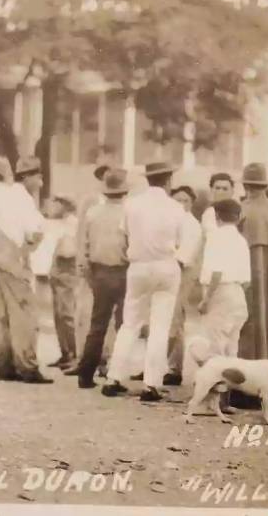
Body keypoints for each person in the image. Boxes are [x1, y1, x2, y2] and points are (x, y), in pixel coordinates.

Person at [101, 161, 201, 402]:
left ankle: (113, 378)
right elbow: (190, 238)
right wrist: (180, 260)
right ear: (168, 181)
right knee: (159, 326)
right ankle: (151, 385)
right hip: (166, 265)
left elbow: (123, 235)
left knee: (130, 323)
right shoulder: (176, 208)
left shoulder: (132, 205)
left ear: (149, 180)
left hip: (138, 266)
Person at [0, 151, 50, 383]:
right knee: (23, 311)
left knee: (0, 312)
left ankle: (4, 364)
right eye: (36, 176)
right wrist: (29, 250)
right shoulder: (22, 196)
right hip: (13, 252)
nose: (40, 182)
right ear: (26, 178)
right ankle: (28, 366)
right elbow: (34, 231)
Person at [73, 169, 129, 389]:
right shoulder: (128, 213)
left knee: (98, 324)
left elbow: (85, 245)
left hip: (100, 272)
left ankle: (85, 373)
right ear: (124, 190)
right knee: (124, 325)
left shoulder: (93, 213)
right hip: (123, 269)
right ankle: (115, 373)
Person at [238, 163, 268, 360]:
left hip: (247, 268)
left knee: (249, 313)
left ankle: (250, 365)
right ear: (264, 186)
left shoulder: (241, 210)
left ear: (245, 186)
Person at [197, 199, 251, 356]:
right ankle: (230, 378)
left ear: (217, 217)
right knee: (232, 345)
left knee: (215, 344)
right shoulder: (241, 240)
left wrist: (206, 300)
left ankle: (216, 379)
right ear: (238, 217)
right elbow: (247, 281)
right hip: (238, 294)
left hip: (219, 292)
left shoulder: (216, 237)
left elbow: (217, 272)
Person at [165, 185, 203, 386]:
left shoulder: (191, 224)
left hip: (183, 272)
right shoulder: (170, 220)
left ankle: (174, 368)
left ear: (191, 203)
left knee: (176, 317)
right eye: (177, 200)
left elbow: (185, 256)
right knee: (166, 318)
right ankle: (160, 365)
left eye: (185, 201)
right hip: (169, 271)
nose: (180, 204)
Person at [46, 195, 79, 370]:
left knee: (66, 313)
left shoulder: (72, 223)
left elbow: (68, 251)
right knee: (59, 313)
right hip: (59, 269)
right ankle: (65, 352)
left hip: (66, 268)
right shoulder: (62, 224)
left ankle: (73, 353)